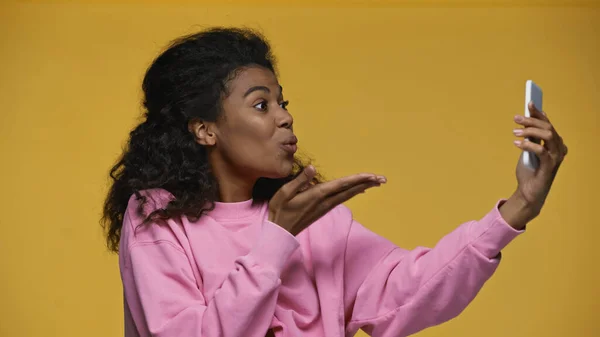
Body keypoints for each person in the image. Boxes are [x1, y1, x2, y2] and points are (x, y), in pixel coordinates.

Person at [101, 27, 568, 337]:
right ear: (205, 129)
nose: (285, 118)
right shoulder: (157, 215)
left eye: (283, 103)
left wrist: (516, 210)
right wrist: (276, 238)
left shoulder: (315, 218)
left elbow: (406, 295)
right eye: (262, 105)